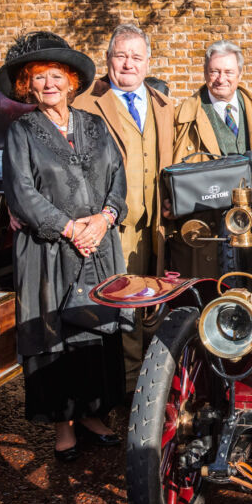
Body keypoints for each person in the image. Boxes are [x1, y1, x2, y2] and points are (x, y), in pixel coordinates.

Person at [0, 31, 128, 461]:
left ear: (71, 81)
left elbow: (117, 178)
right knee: (54, 334)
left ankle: (92, 414)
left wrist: (106, 217)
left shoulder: (94, 124)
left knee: (94, 330)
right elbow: (21, 193)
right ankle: (63, 426)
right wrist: (72, 228)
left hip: (99, 246)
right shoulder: (22, 132)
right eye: (38, 78)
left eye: (57, 75)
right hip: (49, 250)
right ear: (26, 86)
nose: (49, 84)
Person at [72, 23, 174, 395]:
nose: (128, 64)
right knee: (123, 302)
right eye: (121, 56)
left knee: (154, 298)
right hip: (112, 223)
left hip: (157, 224)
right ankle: (131, 388)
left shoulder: (163, 105)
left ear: (148, 63)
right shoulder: (85, 105)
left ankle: (153, 378)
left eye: (136, 57)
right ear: (108, 60)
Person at [169, 40, 252, 276]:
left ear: (239, 74)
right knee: (219, 279)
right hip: (211, 215)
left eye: (228, 72)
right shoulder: (184, 115)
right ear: (205, 73)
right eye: (215, 71)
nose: (221, 79)